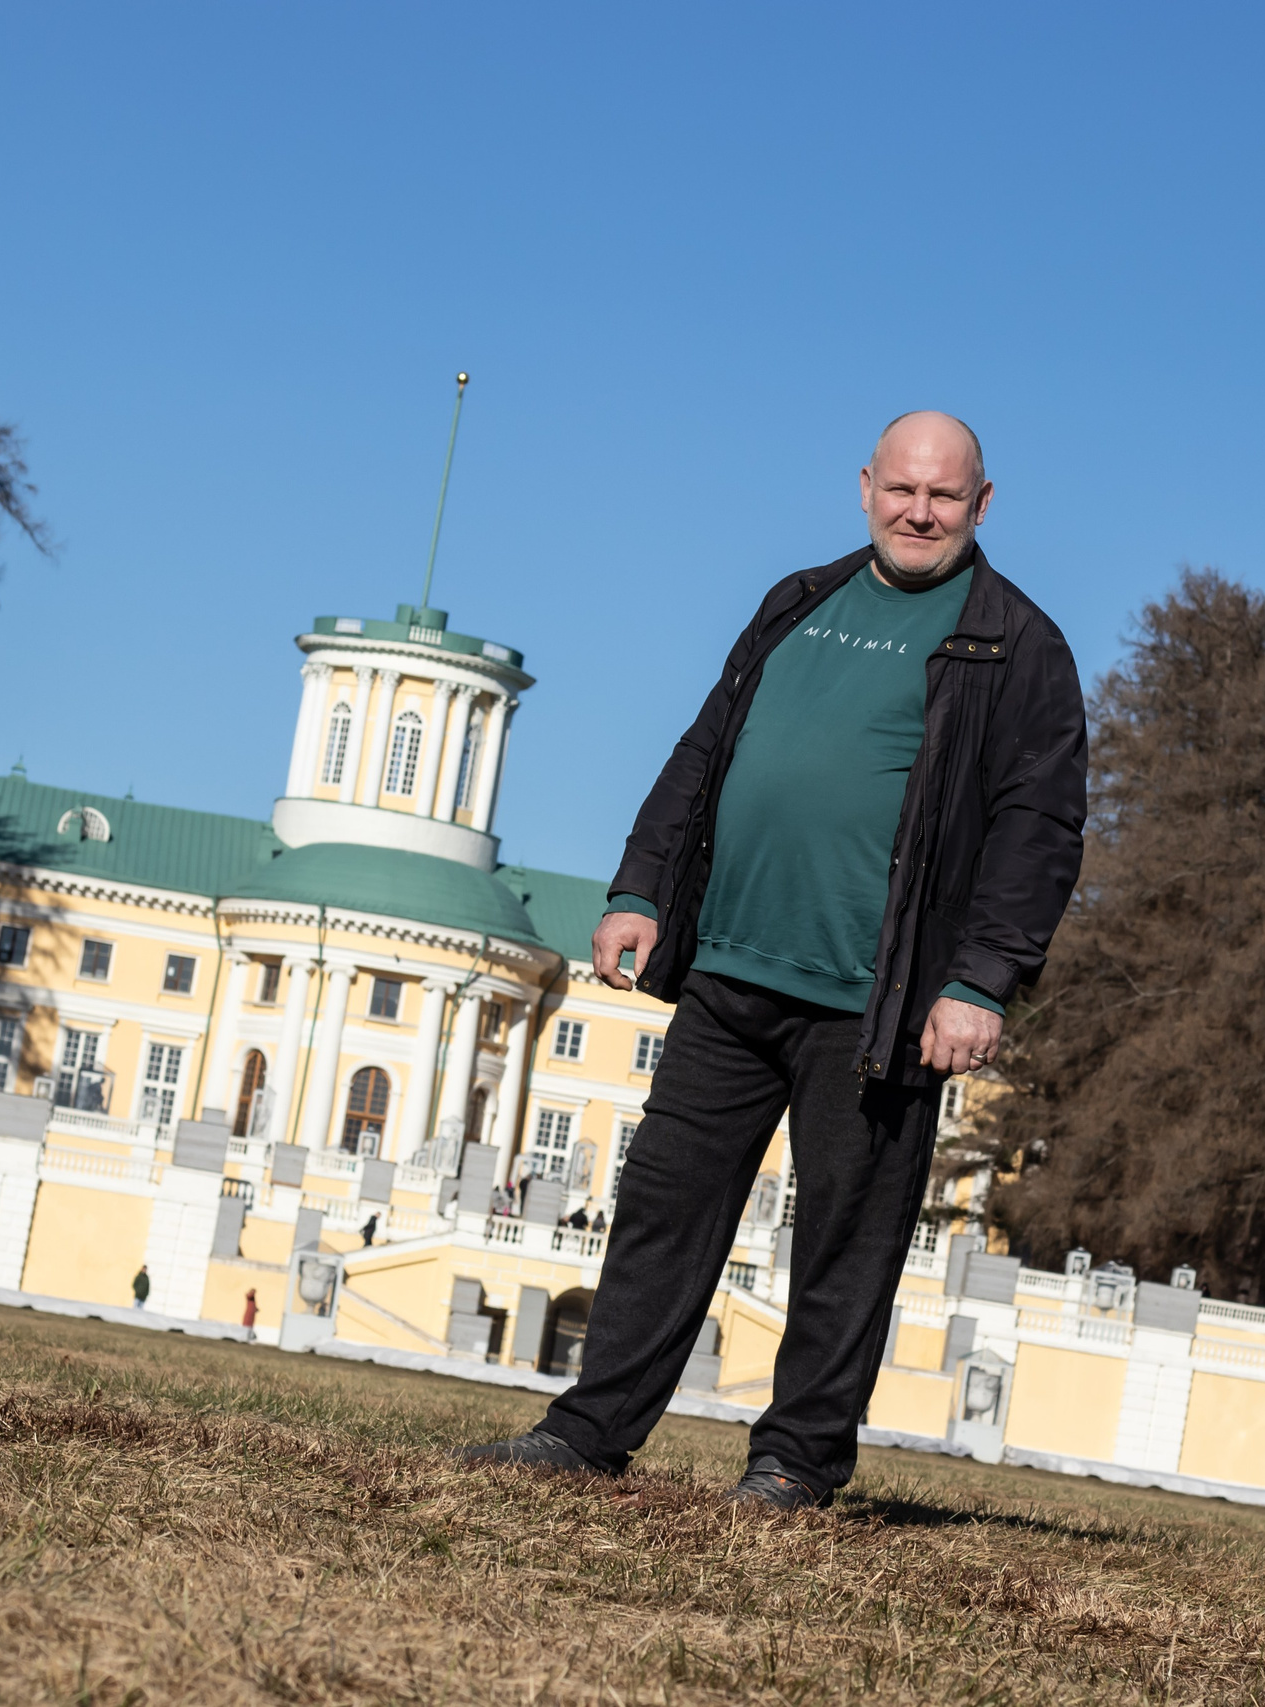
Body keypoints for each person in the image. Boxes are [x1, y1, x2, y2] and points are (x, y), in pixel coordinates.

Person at [458, 412, 1086, 1511]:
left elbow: (1039, 830)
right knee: (661, 1208)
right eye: (901, 489)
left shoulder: (1017, 645)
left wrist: (980, 979)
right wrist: (640, 888)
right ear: (864, 488)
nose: (918, 512)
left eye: (943, 496)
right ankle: (588, 1432)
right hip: (730, 976)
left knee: (847, 1241)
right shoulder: (797, 601)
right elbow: (706, 748)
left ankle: (795, 1462)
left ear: (982, 505)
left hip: (876, 1006)